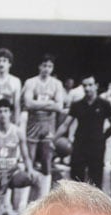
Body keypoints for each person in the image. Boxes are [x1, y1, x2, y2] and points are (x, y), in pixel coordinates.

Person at [61, 77, 111, 190]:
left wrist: (103, 137)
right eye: (85, 85)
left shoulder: (104, 104)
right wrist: (54, 139)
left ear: (96, 85)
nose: (87, 88)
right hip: (79, 145)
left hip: (96, 146)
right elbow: (65, 125)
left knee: (95, 182)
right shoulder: (77, 105)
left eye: (90, 85)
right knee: (76, 181)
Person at [22, 54, 66, 201]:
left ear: (52, 68)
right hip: (33, 125)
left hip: (49, 126)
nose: (46, 69)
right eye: (44, 65)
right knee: (30, 160)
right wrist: (49, 105)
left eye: (49, 66)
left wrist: (38, 105)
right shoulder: (31, 82)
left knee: (47, 161)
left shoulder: (57, 84)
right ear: (39, 66)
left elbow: (59, 106)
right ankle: (23, 202)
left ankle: (43, 198)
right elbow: (28, 103)